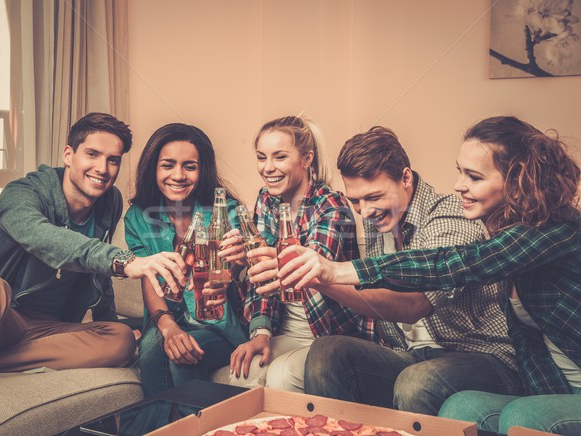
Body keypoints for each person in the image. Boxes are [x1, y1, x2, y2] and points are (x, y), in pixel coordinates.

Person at [274, 116, 581, 434]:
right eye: (460, 172)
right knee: (454, 406)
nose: (459, 184)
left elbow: (454, 265)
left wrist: (333, 271)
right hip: (546, 381)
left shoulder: (553, 230)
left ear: (516, 180)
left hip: (481, 356)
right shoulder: (499, 228)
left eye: (474, 177)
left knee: (512, 411)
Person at [251, 125, 520, 415]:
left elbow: (415, 304)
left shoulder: (449, 214)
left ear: (405, 177)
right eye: (355, 200)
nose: (364, 211)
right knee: (327, 351)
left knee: (416, 381)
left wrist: (322, 278)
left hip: (481, 356)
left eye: (374, 197)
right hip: (410, 355)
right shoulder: (378, 218)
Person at [0, 112, 187, 373]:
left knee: (121, 338)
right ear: (69, 155)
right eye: (92, 154)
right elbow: (47, 239)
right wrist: (124, 261)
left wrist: (108, 321)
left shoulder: (110, 201)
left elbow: (97, 275)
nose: (102, 169)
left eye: (113, 160)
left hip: (48, 330)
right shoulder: (22, 194)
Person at [218, 115, 376, 392]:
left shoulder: (331, 205)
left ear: (306, 159)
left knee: (282, 377)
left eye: (279, 157)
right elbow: (261, 282)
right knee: (243, 373)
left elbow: (307, 268)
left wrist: (255, 255)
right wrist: (261, 332)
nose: (268, 168)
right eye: (261, 157)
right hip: (285, 329)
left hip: (328, 333)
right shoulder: (266, 200)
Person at [123, 123, 248, 432]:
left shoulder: (226, 211)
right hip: (169, 315)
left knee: (183, 354)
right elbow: (149, 279)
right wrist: (167, 327)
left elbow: (237, 269)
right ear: (153, 167)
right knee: (151, 350)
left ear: (201, 170)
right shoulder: (138, 216)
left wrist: (234, 266)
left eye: (189, 166)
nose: (178, 175)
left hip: (221, 322)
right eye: (168, 165)